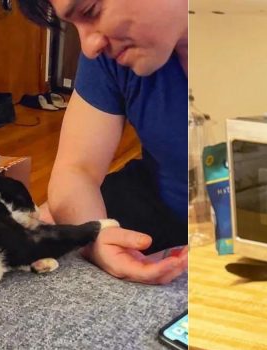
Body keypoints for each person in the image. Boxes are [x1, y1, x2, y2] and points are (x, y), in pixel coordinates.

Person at [19, 0, 188, 285]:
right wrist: (98, 237)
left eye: (91, 11)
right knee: (38, 226)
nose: (89, 46)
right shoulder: (111, 56)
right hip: (165, 202)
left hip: (265, 223)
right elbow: (76, 169)